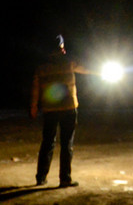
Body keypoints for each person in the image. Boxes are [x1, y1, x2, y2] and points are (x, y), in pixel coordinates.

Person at [31, 34, 95, 187]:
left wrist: (33, 106)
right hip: (68, 108)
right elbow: (87, 69)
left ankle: (41, 177)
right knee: (66, 144)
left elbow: (35, 89)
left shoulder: (42, 68)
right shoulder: (69, 63)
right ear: (61, 48)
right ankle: (65, 179)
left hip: (49, 110)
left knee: (47, 142)